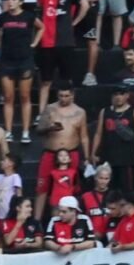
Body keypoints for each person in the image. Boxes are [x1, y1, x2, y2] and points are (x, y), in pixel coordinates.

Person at [26, 0, 83, 114]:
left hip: (65, 43)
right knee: (45, 81)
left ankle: (70, 111)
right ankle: (41, 114)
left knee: (67, 80)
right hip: (47, 44)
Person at [34, 83, 89, 220]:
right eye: (61, 96)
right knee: (42, 187)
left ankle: (72, 219)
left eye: (66, 96)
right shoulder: (50, 109)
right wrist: (49, 128)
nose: (63, 99)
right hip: (51, 152)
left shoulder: (80, 112)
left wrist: (87, 156)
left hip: (71, 153)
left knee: (72, 187)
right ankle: (36, 223)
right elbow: (38, 130)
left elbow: (84, 136)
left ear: (72, 95)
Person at [0, 0, 42, 144]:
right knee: (8, 97)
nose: (10, 2)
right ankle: (8, 131)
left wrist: (34, 43)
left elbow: (41, 27)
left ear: (21, 1)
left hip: (25, 59)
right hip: (7, 60)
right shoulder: (3, 17)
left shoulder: (28, 16)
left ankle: (25, 131)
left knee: (24, 96)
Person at [92, 87, 134, 193]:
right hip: (108, 157)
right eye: (115, 94)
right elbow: (98, 133)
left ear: (127, 96)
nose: (118, 97)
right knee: (109, 189)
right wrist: (93, 153)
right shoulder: (104, 111)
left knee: (127, 189)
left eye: (121, 94)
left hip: (127, 159)